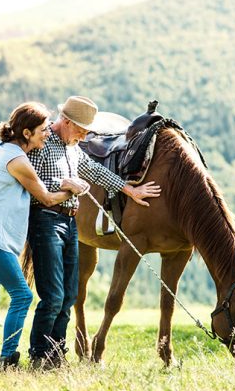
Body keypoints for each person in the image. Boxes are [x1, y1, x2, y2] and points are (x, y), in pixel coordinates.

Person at [27, 96, 161, 368]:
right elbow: (29, 180)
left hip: (69, 221)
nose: (85, 135)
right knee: (52, 295)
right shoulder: (40, 145)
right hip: (46, 221)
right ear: (66, 122)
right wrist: (65, 185)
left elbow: (96, 171)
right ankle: (39, 355)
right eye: (82, 130)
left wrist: (130, 190)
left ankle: (56, 352)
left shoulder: (74, 148)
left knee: (68, 293)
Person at [0, 102, 89, 370]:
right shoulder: (18, 161)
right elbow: (45, 197)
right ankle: (8, 358)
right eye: (43, 130)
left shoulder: (4, 151)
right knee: (22, 295)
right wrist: (72, 190)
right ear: (26, 133)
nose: (48, 134)